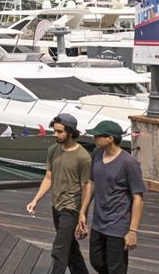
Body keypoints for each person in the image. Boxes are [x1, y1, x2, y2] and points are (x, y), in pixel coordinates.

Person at [76, 120, 145, 274]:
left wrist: (132, 231)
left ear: (110, 138)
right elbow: (91, 183)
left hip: (118, 225)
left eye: (97, 136)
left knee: (116, 268)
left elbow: (138, 199)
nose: (93, 138)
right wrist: (83, 212)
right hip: (98, 222)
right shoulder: (97, 153)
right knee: (96, 261)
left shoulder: (129, 163)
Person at [25, 114, 91, 274]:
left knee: (59, 248)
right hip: (56, 205)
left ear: (70, 132)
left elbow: (86, 188)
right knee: (70, 247)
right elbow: (48, 178)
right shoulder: (53, 150)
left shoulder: (83, 157)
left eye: (59, 131)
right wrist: (35, 200)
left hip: (71, 208)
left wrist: (83, 214)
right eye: (54, 130)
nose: (55, 134)